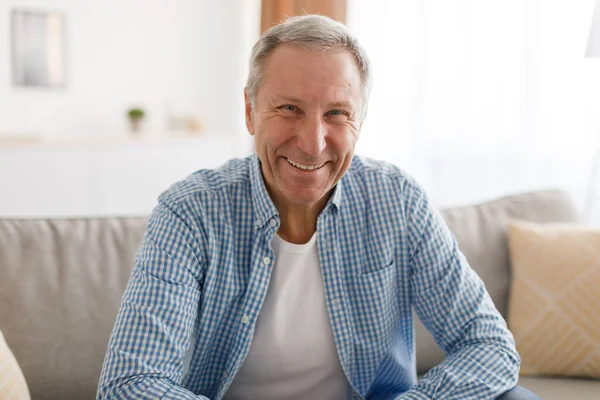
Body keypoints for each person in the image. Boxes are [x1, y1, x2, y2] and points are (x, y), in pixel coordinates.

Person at [97, 15, 540, 400]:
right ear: (250, 112)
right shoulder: (190, 213)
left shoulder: (397, 202)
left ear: (359, 123)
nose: (312, 143)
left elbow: (488, 345)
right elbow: (130, 383)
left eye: (336, 114)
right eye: (289, 108)